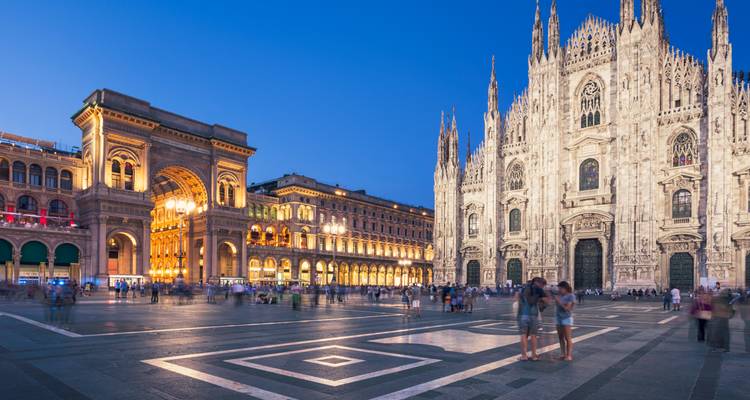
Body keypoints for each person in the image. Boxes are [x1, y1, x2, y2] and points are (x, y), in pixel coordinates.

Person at [515, 277, 548, 361]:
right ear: (538, 282)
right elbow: (546, 300)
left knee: (523, 335)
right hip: (533, 315)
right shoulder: (538, 290)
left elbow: (517, 298)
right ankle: (533, 355)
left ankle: (524, 356)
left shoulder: (522, 289)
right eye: (542, 285)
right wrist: (542, 305)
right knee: (533, 335)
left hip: (523, 314)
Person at [555, 281, 576, 361]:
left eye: (560, 288)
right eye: (559, 288)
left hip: (566, 318)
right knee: (560, 337)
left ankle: (569, 355)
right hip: (558, 318)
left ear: (565, 288)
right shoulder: (559, 295)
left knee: (567, 338)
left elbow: (567, 309)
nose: (559, 290)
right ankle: (562, 354)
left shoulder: (571, 296)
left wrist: (559, 301)